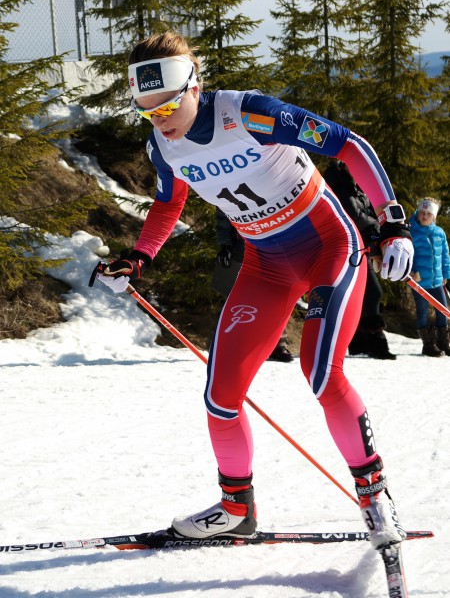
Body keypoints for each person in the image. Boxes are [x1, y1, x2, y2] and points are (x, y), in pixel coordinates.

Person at [94, 31, 414, 551]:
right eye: (146, 110)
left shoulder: (249, 114)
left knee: (320, 371)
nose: (160, 119)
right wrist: (138, 257)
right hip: (265, 265)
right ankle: (236, 508)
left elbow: (350, 146)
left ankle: (374, 495)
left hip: (329, 245)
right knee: (221, 396)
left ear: (194, 85)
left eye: (168, 105)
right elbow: (168, 202)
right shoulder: (160, 143)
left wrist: (392, 222)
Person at [323, 161, 396, 360]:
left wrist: (377, 232)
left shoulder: (359, 187)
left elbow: (371, 214)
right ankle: (375, 341)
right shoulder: (339, 186)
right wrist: (375, 223)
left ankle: (358, 342)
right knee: (372, 293)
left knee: (364, 294)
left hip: (361, 246)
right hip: (343, 247)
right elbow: (354, 215)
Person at [214, 207, 294, 362]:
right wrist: (225, 245)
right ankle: (238, 346)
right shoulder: (226, 187)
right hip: (241, 248)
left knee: (274, 297)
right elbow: (222, 217)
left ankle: (277, 346)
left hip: (271, 246)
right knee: (240, 300)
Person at [409, 197, 450, 356]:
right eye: (422, 213)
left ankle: (443, 342)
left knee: (443, 310)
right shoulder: (411, 231)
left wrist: (446, 274)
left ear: (434, 216)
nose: (424, 216)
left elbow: (445, 255)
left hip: (437, 281)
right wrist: (410, 271)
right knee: (423, 312)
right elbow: (407, 254)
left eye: (428, 213)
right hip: (419, 282)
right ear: (418, 214)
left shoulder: (439, 232)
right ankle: (428, 345)